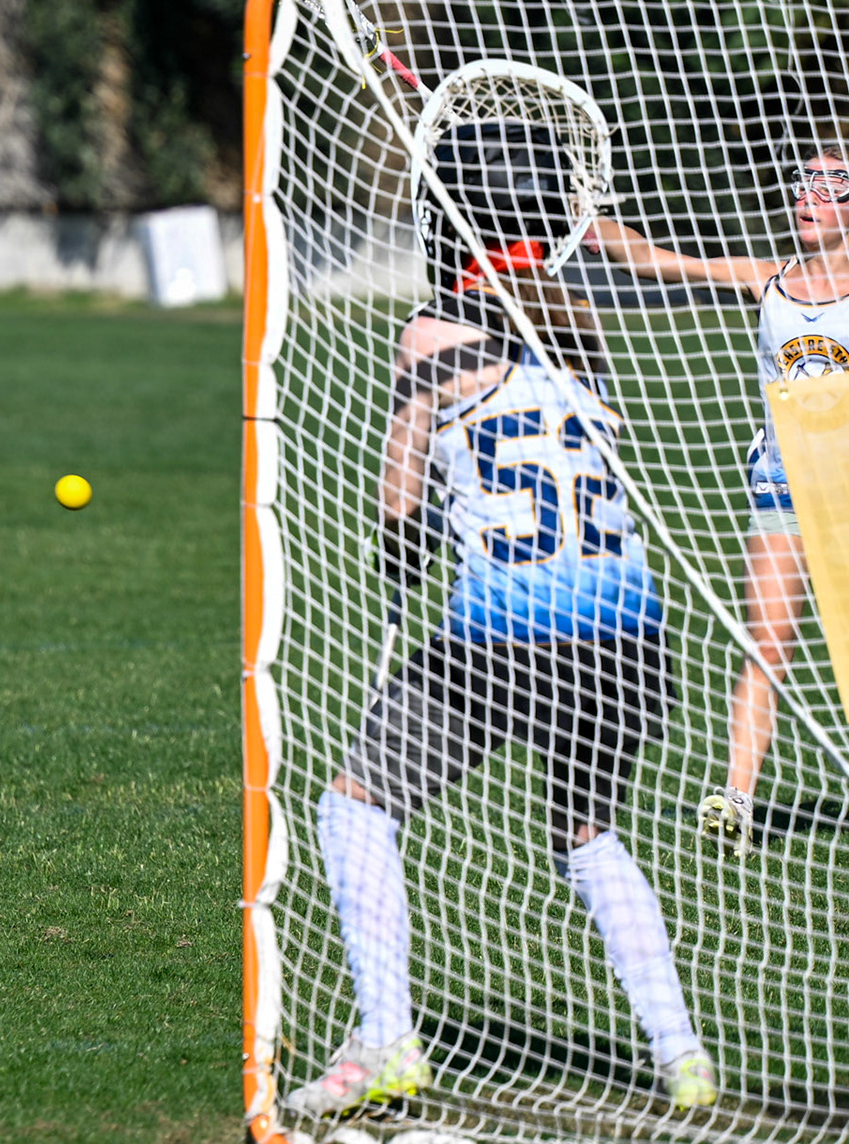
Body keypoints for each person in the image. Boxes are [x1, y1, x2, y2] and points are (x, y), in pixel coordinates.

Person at [286, 122, 716, 1117]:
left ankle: (390, 1039)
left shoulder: (432, 334)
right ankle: (683, 1055)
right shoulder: (578, 322)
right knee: (587, 833)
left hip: (507, 632)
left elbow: (403, 486)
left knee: (354, 804)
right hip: (629, 632)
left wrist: (400, 554)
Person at [590, 137, 849, 854]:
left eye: (831, 186)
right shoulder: (768, 281)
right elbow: (653, 260)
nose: (809, 197)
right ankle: (736, 801)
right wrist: (586, 216)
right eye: (803, 182)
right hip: (782, 492)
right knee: (766, 648)